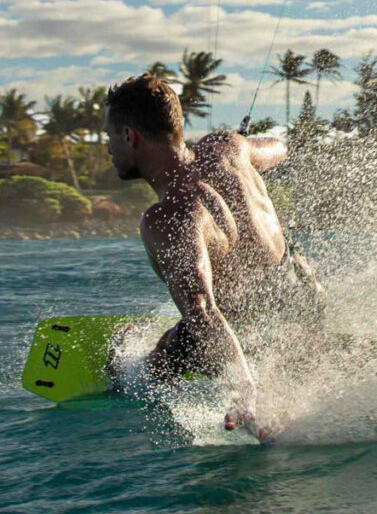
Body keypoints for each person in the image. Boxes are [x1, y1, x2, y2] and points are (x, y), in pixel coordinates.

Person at [103, 73, 309, 442]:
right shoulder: (226, 147)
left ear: (130, 136)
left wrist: (244, 390)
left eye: (109, 137)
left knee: (154, 361)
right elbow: (280, 146)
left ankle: (127, 370)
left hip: (253, 325)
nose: (108, 149)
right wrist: (242, 146)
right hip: (301, 292)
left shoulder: (169, 217)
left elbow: (202, 310)